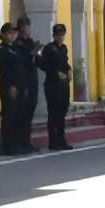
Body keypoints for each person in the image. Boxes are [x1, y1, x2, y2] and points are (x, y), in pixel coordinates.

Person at [0, 22, 36, 155]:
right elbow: (4, 70)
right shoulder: (1, 50)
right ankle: (8, 146)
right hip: (9, 86)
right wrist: (11, 86)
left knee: (21, 115)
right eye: (10, 33)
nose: (13, 35)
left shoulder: (18, 48)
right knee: (9, 116)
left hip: (22, 85)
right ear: (3, 35)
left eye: (14, 33)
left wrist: (34, 52)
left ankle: (21, 143)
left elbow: (26, 60)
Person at [39, 23, 75, 152]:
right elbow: (42, 64)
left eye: (62, 35)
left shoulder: (64, 48)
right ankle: (53, 141)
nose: (60, 37)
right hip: (52, 85)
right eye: (57, 35)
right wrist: (55, 73)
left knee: (62, 113)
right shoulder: (49, 49)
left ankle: (61, 139)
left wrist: (69, 70)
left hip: (63, 86)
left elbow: (65, 62)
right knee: (53, 113)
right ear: (53, 35)